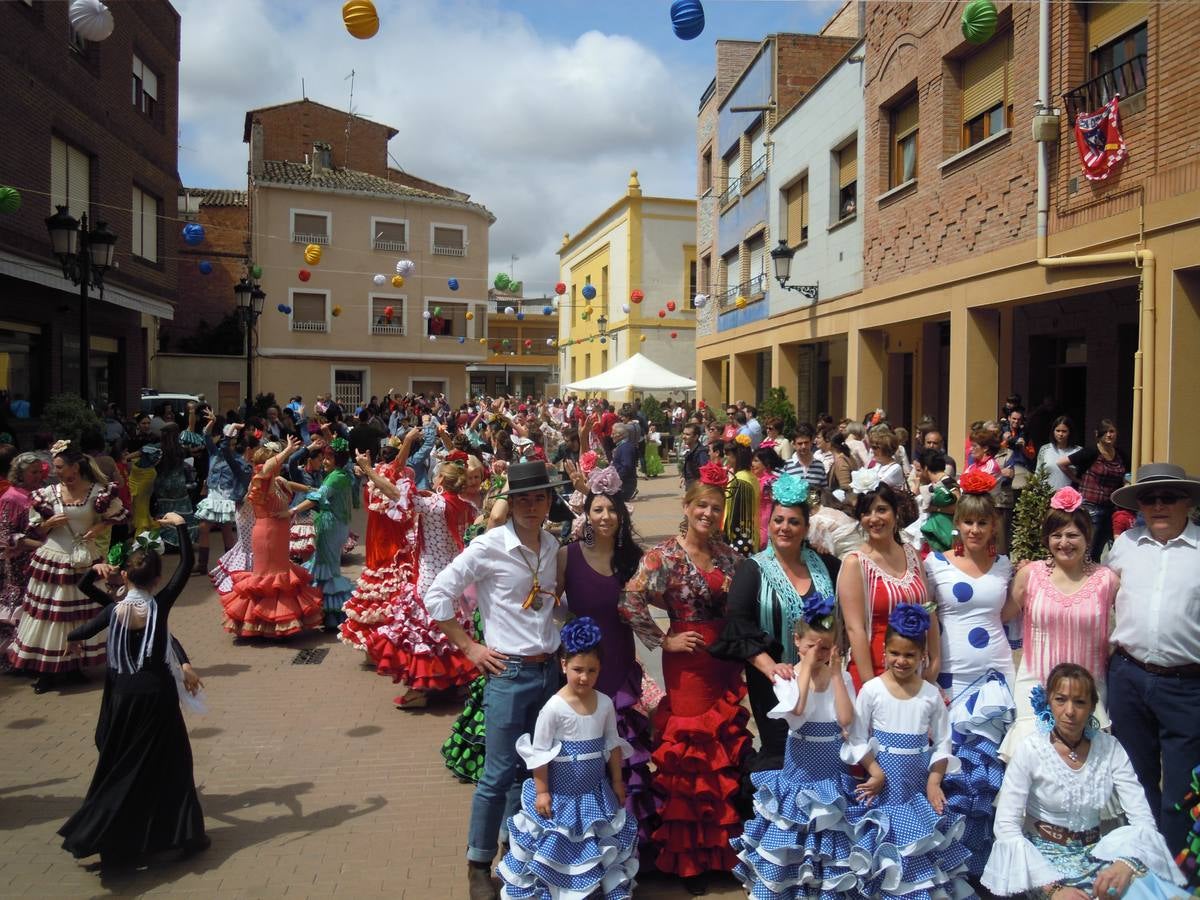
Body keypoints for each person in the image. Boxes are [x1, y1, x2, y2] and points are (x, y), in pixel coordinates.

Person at [421, 460, 566, 900]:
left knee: (533, 770)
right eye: (522, 497)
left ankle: (517, 850)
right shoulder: (488, 546)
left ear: (547, 503)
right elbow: (437, 595)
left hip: (548, 673)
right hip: (509, 672)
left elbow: (552, 606)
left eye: (538, 497)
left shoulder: (552, 545)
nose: (530, 504)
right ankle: (478, 864)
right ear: (510, 502)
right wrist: (470, 648)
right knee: (498, 773)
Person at [619, 462, 750, 894]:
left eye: (716, 508)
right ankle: (689, 858)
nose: (708, 514)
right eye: (702, 506)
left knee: (722, 754)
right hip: (689, 664)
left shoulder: (731, 557)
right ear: (687, 506)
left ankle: (720, 852)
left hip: (724, 665)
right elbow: (630, 599)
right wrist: (662, 640)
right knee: (692, 754)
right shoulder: (665, 555)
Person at [58, 513, 210, 866]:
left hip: (123, 699)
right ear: (157, 579)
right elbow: (185, 564)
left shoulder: (114, 610)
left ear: (124, 575)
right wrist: (178, 526)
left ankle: (118, 840)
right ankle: (185, 835)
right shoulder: (159, 604)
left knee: (122, 767)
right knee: (173, 764)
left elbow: (81, 627)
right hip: (157, 698)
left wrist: (93, 572)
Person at [981, 663, 1187, 898]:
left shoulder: (1109, 748)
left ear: (1092, 707)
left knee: (1149, 890)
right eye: (1061, 699)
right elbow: (1006, 826)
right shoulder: (1031, 749)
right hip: (1044, 863)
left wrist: (1124, 865)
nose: (1069, 711)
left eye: (1079, 702)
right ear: (1048, 702)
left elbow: (1142, 819)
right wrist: (1054, 889)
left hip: (1098, 853)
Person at [496, 617, 638, 900]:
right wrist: (542, 791)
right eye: (577, 669)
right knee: (561, 846)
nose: (584, 677)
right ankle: (557, 891)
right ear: (563, 665)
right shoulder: (553, 708)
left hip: (594, 794)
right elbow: (539, 754)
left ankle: (591, 891)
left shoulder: (606, 703)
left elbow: (612, 745)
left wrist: (618, 782)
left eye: (591, 670)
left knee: (591, 845)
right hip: (560, 796)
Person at [841, 605, 973, 897]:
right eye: (895, 653)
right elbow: (857, 737)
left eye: (910, 655)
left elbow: (942, 741)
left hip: (917, 788)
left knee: (919, 844)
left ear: (922, 657)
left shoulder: (930, 695)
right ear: (885, 651)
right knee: (884, 846)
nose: (901, 661)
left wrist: (934, 780)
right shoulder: (872, 690)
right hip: (882, 788)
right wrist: (874, 771)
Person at [924, 473, 1018, 879]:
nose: (975, 529)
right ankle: (947, 865)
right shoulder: (934, 564)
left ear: (993, 525)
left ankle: (984, 866)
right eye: (968, 522)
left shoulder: (1007, 566)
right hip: (950, 677)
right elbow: (924, 620)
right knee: (951, 769)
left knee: (991, 773)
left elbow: (1009, 616)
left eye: (983, 522)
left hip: (996, 677)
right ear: (957, 524)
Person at [711, 473, 840, 766]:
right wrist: (771, 669)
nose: (785, 527)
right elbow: (737, 626)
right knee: (782, 756)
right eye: (779, 520)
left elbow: (845, 616)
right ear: (769, 523)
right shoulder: (752, 570)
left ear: (806, 527)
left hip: (822, 683)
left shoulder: (828, 565)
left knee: (822, 754)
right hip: (774, 685)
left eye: (794, 522)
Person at [557, 465, 654, 849]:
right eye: (598, 509)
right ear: (587, 514)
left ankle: (627, 842)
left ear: (622, 515)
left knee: (622, 755)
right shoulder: (568, 556)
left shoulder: (635, 560)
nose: (605, 517)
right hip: (581, 672)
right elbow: (550, 605)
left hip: (620, 667)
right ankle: (584, 842)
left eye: (612, 509)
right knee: (582, 755)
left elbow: (649, 608)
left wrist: (667, 640)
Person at [730, 606, 858, 897]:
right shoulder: (785, 678)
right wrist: (806, 669)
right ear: (797, 641)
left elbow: (847, 719)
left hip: (832, 773)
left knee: (829, 836)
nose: (818, 652)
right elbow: (797, 711)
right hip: (800, 771)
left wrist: (837, 676)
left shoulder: (843, 679)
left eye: (825, 647)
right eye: (812, 645)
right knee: (796, 833)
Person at [1105, 463, 1200, 854]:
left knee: (1181, 790)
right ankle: (1141, 864)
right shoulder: (1125, 545)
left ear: (1187, 503)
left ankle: (1177, 875)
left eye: (1168, 497)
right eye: (1149, 498)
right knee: (1135, 781)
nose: (1158, 505)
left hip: (1186, 686)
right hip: (1128, 677)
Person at [1001, 485, 1119, 760]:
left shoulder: (1107, 580)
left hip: (1087, 686)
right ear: (1047, 539)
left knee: (1084, 760)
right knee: (1032, 758)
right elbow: (1002, 616)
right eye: (1056, 535)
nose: (1064, 542)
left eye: (1072, 535)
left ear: (1087, 537)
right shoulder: (1029, 575)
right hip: (1035, 681)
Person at [362, 449, 477, 709]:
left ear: (439, 481)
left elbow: (393, 493)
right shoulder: (466, 507)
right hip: (455, 577)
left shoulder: (434, 505)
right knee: (449, 632)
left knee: (423, 635)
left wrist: (369, 471)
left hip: (430, 578)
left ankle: (419, 690)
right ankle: (457, 684)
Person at [7, 442, 125, 692]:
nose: (56, 471)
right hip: (52, 559)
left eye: (60, 467)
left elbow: (117, 515)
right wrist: (49, 523)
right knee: (50, 615)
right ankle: (46, 670)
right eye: (56, 467)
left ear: (75, 466)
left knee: (80, 614)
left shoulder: (98, 492)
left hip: (84, 559)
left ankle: (73, 666)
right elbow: (35, 529)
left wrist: (99, 528)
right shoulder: (48, 493)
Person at [837, 473, 938, 691]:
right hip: (874, 670)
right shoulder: (855, 564)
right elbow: (855, 629)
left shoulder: (911, 554)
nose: (874, 518)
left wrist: (935, 660)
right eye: (866, 512)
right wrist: (870, 684)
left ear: (895, 512)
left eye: (881, 510)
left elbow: (928, 608)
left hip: (915, 669)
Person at [219, 438, 322, 639]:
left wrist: (311, 489)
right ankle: (265, 621)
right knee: (269, 579)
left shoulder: (277, 481)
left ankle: (273, 620)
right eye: (277, 460)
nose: (280, 464)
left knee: (280, 574)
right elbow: (267, 469)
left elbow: (290, 482)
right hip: (267, 533)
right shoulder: (260, 480)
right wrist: (287, 452)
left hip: (280, 533)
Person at [291, 438, 354, 631]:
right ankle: (330, 615)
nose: (324, 461)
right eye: (324, 458)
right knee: (325, 569)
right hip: (332, 526)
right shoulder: (340, 473)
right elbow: (318, 492)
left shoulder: (336, 476)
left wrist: (291, 512)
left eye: (328, 458)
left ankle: (338, 613)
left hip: (331, 527)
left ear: (337, 459)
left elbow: (318, 497)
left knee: (326, 570)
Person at [0, 453, 47, 662]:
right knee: (20, 611)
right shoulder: (11, 498)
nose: (38, 476)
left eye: (39, 471)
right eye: (33, 472)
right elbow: (6, 536)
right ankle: (14, 658)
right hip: (21, 565)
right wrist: (41, 545)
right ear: (20, 473)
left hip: (39, 562)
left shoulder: (37, 494)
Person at [1059, 419, 1126, 562]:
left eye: (1112, 431)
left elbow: (1126, 475)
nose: (1109, 435)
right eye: (1106, 432)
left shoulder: (1120, 454)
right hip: (1091, 506)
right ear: (1098, 434)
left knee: (1105, 549)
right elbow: (1062, 463)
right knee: (1089, 547)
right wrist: (1076, 479)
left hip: (1111, 507)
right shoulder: (1091, 451)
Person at [193, 414, 251, 575]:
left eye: (233, 442)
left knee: (226, 530)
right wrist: (212, 422)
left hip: (227, 496)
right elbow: (205, 435)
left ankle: (230, 564)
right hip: (213, 495)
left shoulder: (237, 459)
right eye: (229, 442)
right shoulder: (214, 453)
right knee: (204, 527)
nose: (231, 445)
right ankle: (202, 564)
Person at [723, 437, 761, 557]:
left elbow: (734, 514)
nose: (726, 458)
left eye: (727, 454)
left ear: (735, 456)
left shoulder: (739, 480)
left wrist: (724, 536)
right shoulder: (752, 477)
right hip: (750, 533)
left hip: (738, 537)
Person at [1036, 416, 1081, 490]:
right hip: (1046, 497)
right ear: (1053, 431)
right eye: (1058, 430)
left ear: (1070, 432)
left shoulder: (1078, 451)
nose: (1060, 434)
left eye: (1064, 431)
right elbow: (1038, 474)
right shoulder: (1045, 449)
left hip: (1070, 498)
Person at [678, 422, 709, 491]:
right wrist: (684, 476)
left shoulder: (701, 453)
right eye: (684, 433)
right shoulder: (691, 450)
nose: (684, 437)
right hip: (691, 489)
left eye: (687, 434)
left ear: (696, 437)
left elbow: (705, 473)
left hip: (698, 491)